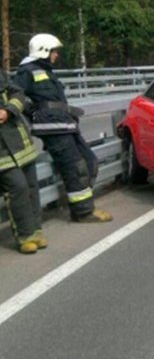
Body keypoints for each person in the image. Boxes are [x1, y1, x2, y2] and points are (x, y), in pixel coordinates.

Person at [15, 34, 112, 223]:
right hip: (53, 128)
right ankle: (83, 212)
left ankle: (84, 204)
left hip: (66, 124)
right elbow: (16, 96)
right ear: (43, 50)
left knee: (90, 161)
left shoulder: (47, 71)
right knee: (74, 167)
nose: (57, 55)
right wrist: (34, 112)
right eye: (54, 51)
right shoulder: (26, 71)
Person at [0, 71, 46, 253]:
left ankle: (36, 231)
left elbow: (18, 93)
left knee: (31, 186)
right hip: (2, 151)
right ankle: (25, 235)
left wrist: (8, 110)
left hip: (19, 141)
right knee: (17, 188)